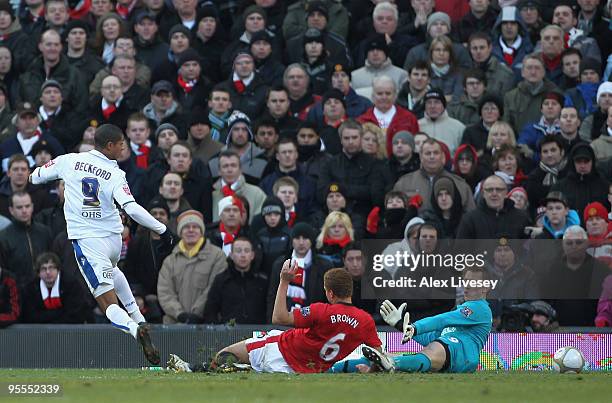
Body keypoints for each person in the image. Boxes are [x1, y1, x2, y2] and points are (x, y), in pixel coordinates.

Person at [29, 124, 175, 365]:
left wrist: (40, 177)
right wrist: (163, 229)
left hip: (88, 242)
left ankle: (133, 329)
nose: (124, 148)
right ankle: (139, 319)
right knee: (113, 272)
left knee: (107, 304)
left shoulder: (69, 161)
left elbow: (36, 177)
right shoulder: (116, 174)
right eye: (121, 144)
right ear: (109, 146)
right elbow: (131, 208)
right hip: (113, 240)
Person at [167, 263, 382, 374]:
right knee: (241, 363)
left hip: (280, 350)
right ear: (350, 290)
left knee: (224, 356)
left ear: (330, 293)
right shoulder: (365, 321)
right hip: (307, 370)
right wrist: (370, 370)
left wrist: (284, 281)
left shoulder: (322, 310)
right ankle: (243, 368)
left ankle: (192, 368)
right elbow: (380, 356)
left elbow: (278, 317)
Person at [340, 267, 492, 374]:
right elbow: (431, 338)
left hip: (464, 356)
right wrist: (402, 326)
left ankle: (391, 365)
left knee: (432, 349)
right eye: (465, 281)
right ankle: (330, 367)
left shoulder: (480, 308)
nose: (466, 286)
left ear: (485, 287)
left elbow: (442, 319)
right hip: (445, 354)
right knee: (383, 357)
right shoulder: (459, 312)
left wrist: (415, 327)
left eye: (473, 282)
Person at [157, 209, 227, 324]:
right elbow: (165, 292)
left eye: (195, 227)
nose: (191, 230)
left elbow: (214, 288)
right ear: (180, 232)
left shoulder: (217, 256)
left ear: (201, 231)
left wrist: (197, 313)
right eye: (186, 227)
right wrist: (179, 314)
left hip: (206, 324)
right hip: (174, 324)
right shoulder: (170, 261)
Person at [203, 236, 267, 324]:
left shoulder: (262, 281)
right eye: (238, 251)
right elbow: (210, 310)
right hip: (229, 332)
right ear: (231, 255)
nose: (243, 255)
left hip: (257, 333)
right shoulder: (221, 280)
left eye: (246, 251)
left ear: (252, 255)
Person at [21, 252, 91, 323]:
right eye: (43, 269)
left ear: (58, 270)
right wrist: (59, 312)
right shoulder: (31, 288)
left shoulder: (71, 285)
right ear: (38, 273)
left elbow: (75, 314)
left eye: (51, 268)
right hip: (40, 331)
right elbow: (30, 316)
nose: (48, 272)